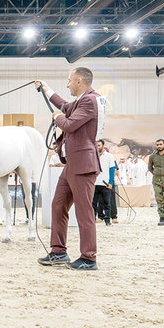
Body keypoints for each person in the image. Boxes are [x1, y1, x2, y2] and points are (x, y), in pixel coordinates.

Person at [35, 67, 104, 270]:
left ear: (79, 81)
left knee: (84, 212)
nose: (67, 85)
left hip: (83, 165)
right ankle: (58, 251)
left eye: (69, 81)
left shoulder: (90, 100)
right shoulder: (82, 100)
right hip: (73, 165)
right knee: (58, 205)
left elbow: (69, 124)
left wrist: (57, 117)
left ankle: (89, 258)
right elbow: (64, 106)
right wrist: (46, 89)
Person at [92, 140, 115, 226]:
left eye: (99, 145)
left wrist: (111, 182)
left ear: (103, 145)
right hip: (94, 183)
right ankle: (92, 220)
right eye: (96, 145)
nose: (97, 147)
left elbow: (112, 169)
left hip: (105, 184)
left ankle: (107, 221)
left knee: (107, 204)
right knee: (93, 203)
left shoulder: (109, 156)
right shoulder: (92, 155)